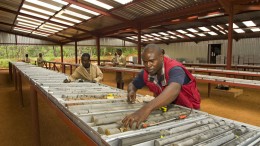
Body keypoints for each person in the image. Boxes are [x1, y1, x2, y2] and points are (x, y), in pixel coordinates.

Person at [122, 44, 200, 128]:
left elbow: (174, 90)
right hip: (168, 109)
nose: (148, 65)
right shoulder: (147, 73)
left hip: (188, 110)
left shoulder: (175, 69)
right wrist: (132, 91)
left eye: (152, 61)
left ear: (161, 57)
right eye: (145, 61)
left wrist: (146, 109)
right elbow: (133, 84)